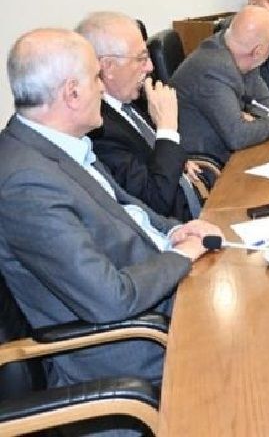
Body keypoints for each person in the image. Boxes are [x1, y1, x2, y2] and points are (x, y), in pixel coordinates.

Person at [0, 28, 215, 397]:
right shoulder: (25, 183)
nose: (102, 88)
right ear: (72, 93)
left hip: (160, 298)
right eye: (96, 77)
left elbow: (126, 209)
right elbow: (111, 298)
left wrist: (172, 231)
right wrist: (182, 255)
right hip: (135, 347)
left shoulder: (61, 145)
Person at [78, 11, 206, 221]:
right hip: (177, 228)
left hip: (198, 209)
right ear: (108, 67)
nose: (150, 67)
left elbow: (155, 155)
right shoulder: (98, 129)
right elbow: (155, 200)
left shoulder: (130, 98)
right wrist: (167, 129)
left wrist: (179, 158)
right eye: (141, 59)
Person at [172, 6, 269, 166]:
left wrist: (251, 121)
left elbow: (267, 103)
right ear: (258, 51)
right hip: (208, 165)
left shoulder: (240, 52)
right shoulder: (213, 68)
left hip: (233, 152)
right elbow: (238, 137)